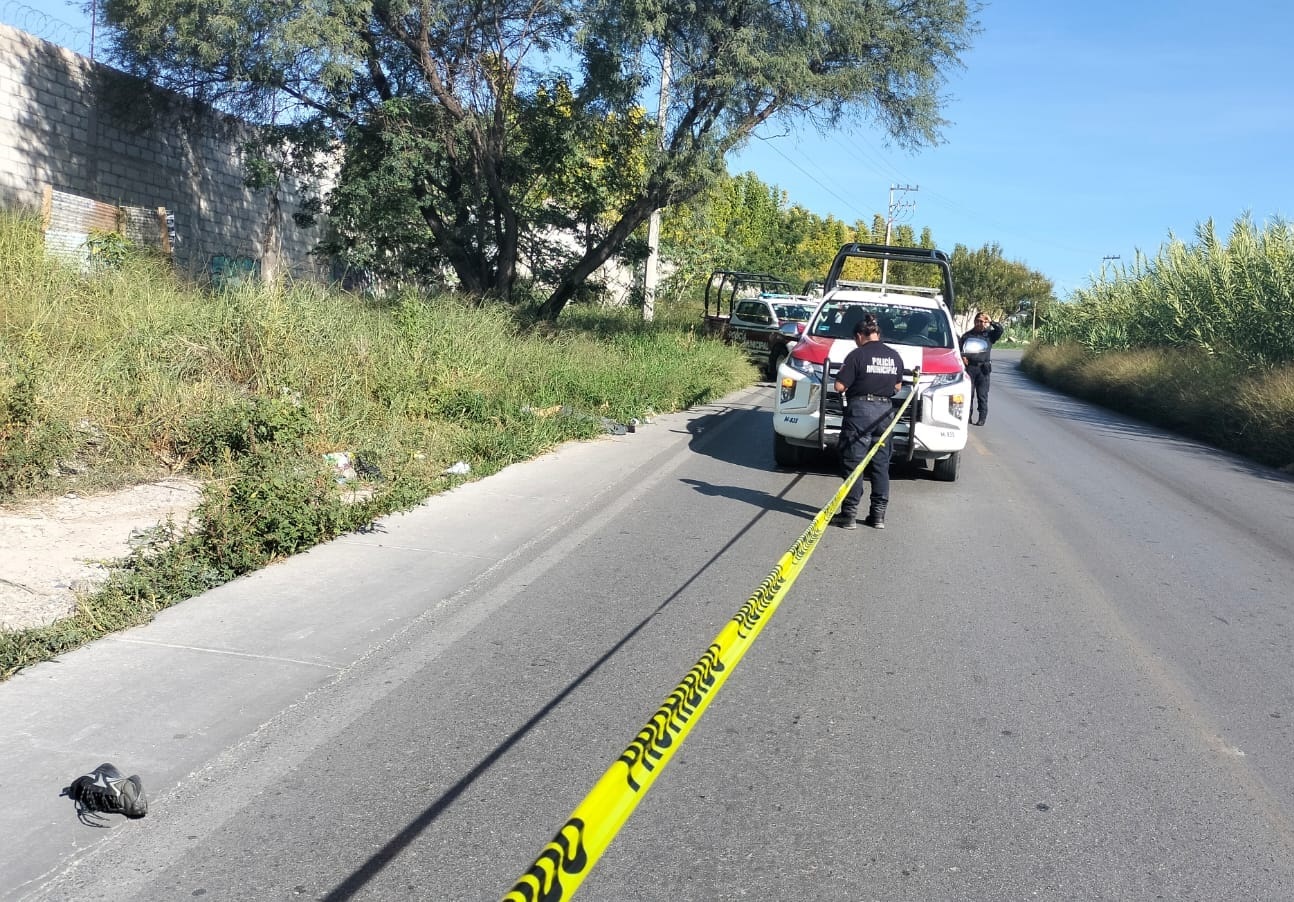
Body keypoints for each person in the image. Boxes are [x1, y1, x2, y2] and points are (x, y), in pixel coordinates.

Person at [831, 314, 905, 530]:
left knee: (854, 463)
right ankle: (878, 516)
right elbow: (898, 387)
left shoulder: (857, 355)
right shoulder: (894, 356)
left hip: (860, 413)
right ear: (878, 334)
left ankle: (849, 515)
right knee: (881, 464)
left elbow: (839, 387)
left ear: (859, 336)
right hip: (884, 413)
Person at [960, 312, 1004, 425]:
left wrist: (991, 321)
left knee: (982, 395)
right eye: (979, 321)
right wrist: (963, 357)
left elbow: (1000, 331)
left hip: (983, 369)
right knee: (968, 394)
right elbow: (959, 350)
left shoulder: (989, 335)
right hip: (970, 368)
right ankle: (967, 416)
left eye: (984, 321)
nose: (981, 323)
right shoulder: (967, 336)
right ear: (975, 321)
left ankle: (982, 418)